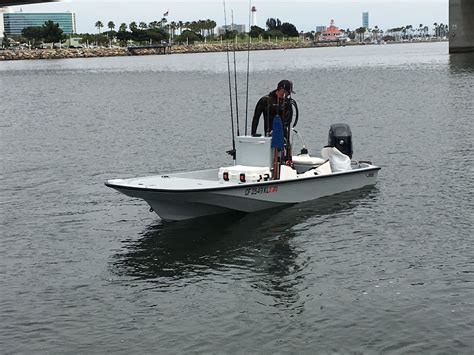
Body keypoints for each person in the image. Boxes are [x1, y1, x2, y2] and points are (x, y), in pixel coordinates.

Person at [251, 80, 298, 160]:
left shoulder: (287, 102)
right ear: (281, 90)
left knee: (286, 152)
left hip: (283, 134)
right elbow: (256, 117)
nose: (288, 95)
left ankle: (287, 162)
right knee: (272, 155)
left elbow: (288, 120)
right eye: (288, 93)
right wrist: (253, 133)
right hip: (269, 133)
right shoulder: (266, 100)